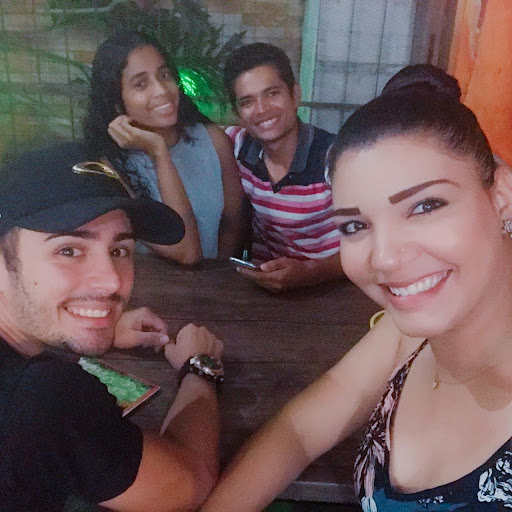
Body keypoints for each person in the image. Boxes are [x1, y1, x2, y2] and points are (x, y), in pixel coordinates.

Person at [201, 69, 512, 511]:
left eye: (425, 206)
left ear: (501, 193)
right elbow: (298, 431)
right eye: (354, 226)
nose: (384, 258)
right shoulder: (409, 335)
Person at [0, 142, 225, 512]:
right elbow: (189, 483)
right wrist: (200, 367)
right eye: (69, 250)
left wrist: (97, 325)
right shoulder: (43, 397)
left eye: (120, 251)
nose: (112, 282)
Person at [84, 31, 245, 265]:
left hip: (214, 283)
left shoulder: (213, 140)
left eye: (164, 74)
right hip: (154, 286)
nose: (161, 90)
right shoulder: (112, 169)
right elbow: (186, 251)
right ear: (117, 102)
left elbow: (233, 221)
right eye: (140, 84)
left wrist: (217, 276)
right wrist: (159, 153)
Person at [223, 43, 344, 292]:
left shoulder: (335, 158)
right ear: (237, 113)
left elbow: (370, 240)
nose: (262, 109)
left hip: (335, 292)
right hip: (265, 289)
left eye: (272, 93)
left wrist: (310, 273)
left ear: (295, 95)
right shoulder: (237, 146)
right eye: (247, 101)